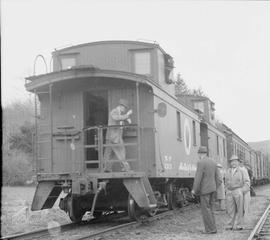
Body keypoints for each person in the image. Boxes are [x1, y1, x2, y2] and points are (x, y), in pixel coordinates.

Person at [191, 146, 222, 234]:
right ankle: (213, 228)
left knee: (206, 210)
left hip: (205, 190)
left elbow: (198, 177)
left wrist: (194, 190)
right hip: (212, 189)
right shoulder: (213, 162)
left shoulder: (201, 162)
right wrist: (215, 187)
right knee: (211, 209)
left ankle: (210, 230)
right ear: (206, 153)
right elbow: (218, 178)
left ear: (200, 154)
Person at [103, 99, 133, 172]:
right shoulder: (114, 111)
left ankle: (106, 169)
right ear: (121, 106)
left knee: (108, 154)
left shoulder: (119, 113)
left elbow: (120, 120)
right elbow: (116, 118)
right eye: (125, 108)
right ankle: (126, 168)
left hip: (112, 136)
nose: (125, 110)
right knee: (121, 151)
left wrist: (127, 119)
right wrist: (127, 115)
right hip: (114, 137)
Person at [225, 155, 250, 230]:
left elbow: (247, 182)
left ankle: (240, 225)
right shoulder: (228, 171)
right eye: (232, 161)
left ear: (238, 162)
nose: (233, 163)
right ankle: (230, 225)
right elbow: (226, 182)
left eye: (235, 161)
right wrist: (226, 190)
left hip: (238, 190)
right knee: (230, 209)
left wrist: (241, 191)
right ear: (230, 163)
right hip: (230, 192)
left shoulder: (243, 170)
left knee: (240, 209)